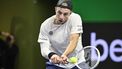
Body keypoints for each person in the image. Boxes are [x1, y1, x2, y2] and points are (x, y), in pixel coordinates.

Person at [38, 0, 85, 69]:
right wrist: (51, 55)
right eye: (59, 12)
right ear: (55, 9)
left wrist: (64, 55)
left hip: (77, 63)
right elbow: (44, 48)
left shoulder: (75, 18)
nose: (61, 17)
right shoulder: (45, 25)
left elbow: (74, 40)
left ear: (70, 13)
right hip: (56, 65)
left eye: (65, 14)